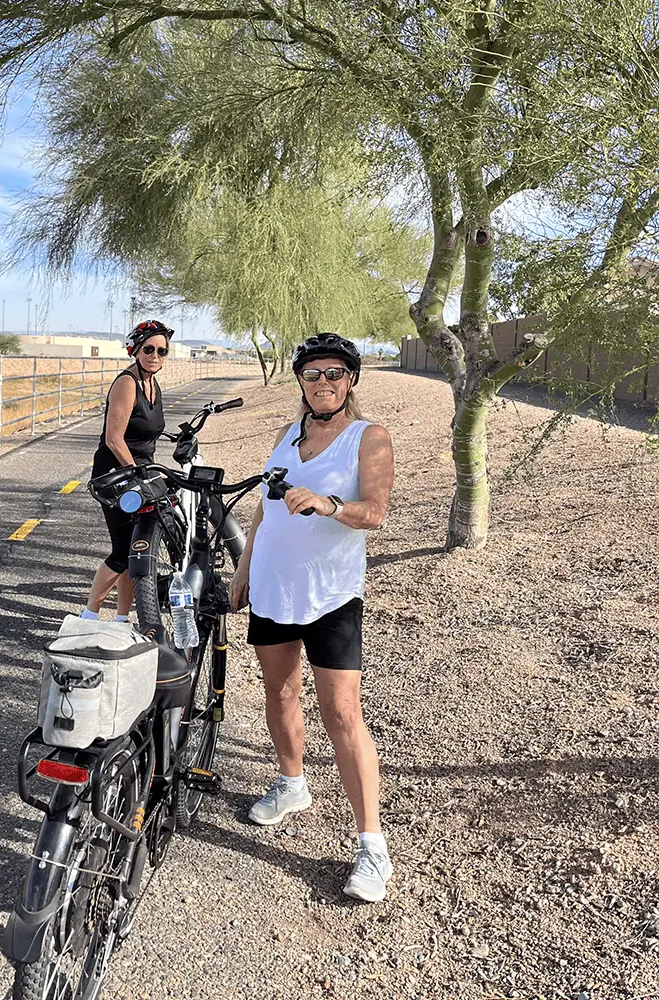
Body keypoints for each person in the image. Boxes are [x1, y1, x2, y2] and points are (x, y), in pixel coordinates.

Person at [229, 332, 396, 902]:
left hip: (330, 596)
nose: (322, 383)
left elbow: (375, 513)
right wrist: (243, 568)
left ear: (350, 379)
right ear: (300, 382)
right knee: (278, 695)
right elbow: (263, 510)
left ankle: (372, 845)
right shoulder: (286, 434)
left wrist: (330, 505)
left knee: (342, 714)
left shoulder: (366, 438)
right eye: (312, 374)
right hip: (274, 588)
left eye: (333, 373)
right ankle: (292, 782)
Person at [80, 320, 171, 622]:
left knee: (136, 551)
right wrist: (137, 473)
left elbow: (145, 431)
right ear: (135, 349)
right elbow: (114, 439)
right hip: (116, 476)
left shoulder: (152, 383)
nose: (155, 355)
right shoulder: (127, 383)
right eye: (149, 349)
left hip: (138, 474)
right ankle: (89, 616)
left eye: (161, 350)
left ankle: (121, 620)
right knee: (122, 552)